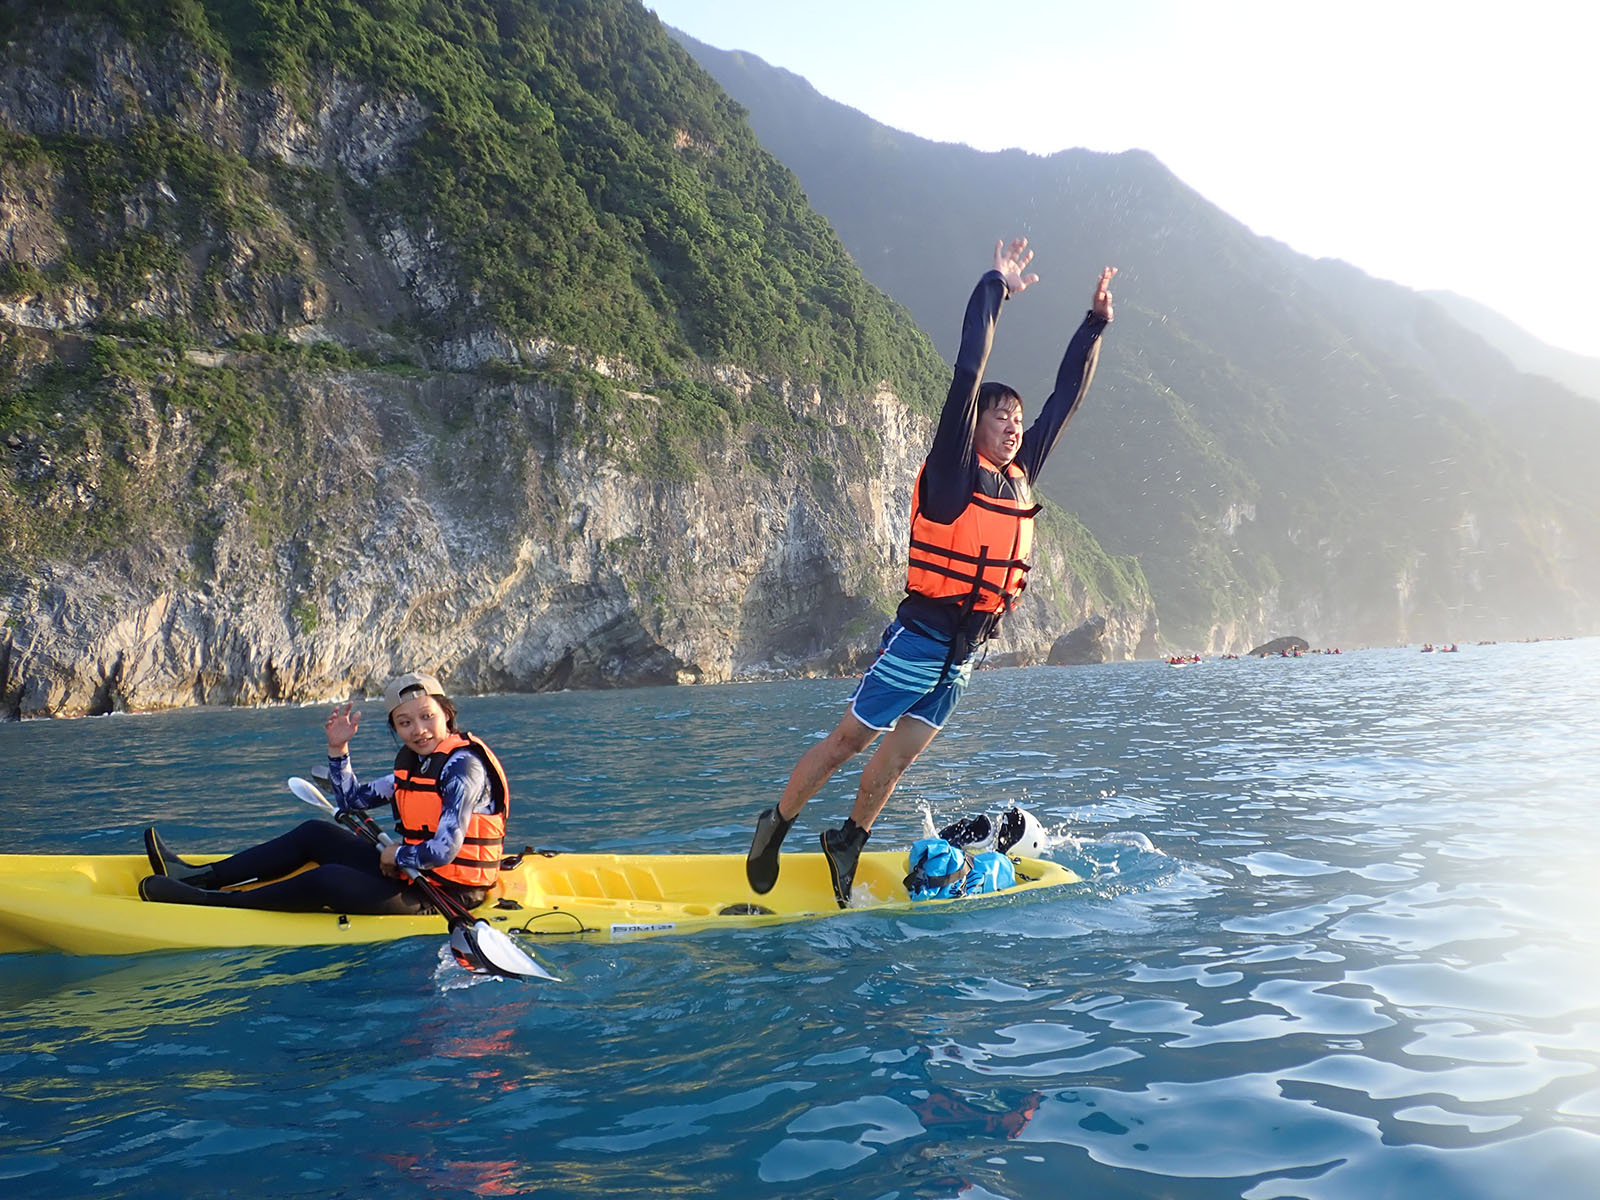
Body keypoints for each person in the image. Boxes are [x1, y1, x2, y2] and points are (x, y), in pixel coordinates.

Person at [746, 238, 1116, 906]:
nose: (1013, 427)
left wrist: (1094, 327)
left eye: (1017, 420)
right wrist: (994, 286)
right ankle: (776, 822)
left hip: (964, 654)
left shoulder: (1020, 474)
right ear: (977, 424)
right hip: (919, 639)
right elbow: (971, 367)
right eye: (1001, 417)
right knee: (846, 746)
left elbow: (1067, 397)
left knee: (897, 761)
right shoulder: (951, 470)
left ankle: (848, 840)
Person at [138, 673, 510, 914]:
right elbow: (350, 801)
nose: (419, 730)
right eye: (405, 722)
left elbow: (444, 850)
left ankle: (215, 904)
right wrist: (338, 751)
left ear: (446, 713)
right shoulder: (416, 764)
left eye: (427, 716)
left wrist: (397, 854)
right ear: (396, 728)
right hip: (412, 873)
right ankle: (198, 876)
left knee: (327, 878)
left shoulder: (462, 768)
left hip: (445, 894)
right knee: (315, 833)